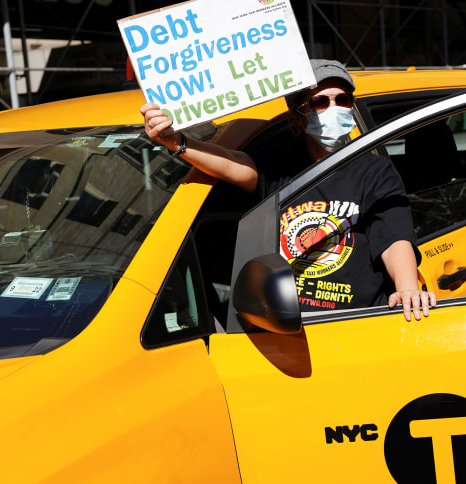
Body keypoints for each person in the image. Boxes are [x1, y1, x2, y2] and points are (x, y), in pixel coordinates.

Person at [141, 59, 436, 321]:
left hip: (354, 322)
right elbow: (234, 163)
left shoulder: (374, 170)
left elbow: (393, 237)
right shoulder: (281, 166)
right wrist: (177, 142)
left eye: (342, 100)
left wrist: (407, 288)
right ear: (299, 114)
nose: (334, 109)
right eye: (321, 101)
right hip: (288, 326)